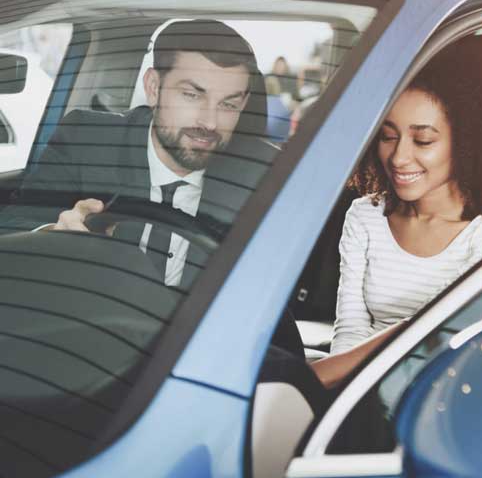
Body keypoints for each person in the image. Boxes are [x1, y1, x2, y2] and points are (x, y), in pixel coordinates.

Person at [0, 19, 278, 287]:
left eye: (228, 105)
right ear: (154, 88)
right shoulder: (88, 140)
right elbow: (12, 228)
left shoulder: (266, 176)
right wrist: (53, 234)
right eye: (192, 95)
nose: (210, 122)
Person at [329, 65, 482, 356]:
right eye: (388, 136)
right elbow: (349, 333)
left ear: (463, 144)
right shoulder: (364, 215)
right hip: (360, 386)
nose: (398, 157)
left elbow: (458, 341)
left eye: (423, 141)